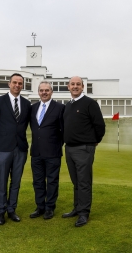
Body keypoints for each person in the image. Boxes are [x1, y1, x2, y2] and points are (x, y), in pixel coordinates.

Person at [62, 76, 105, 227]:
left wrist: (94, 141)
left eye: (78, 84)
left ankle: (84, 213)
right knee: (76, 182)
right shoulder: (68, 105)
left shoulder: (89, 103)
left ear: (83, 87)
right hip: (69, 148)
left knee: (84, 182)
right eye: (72, 84)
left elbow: (100, 126)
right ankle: (77, 208)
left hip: (84, 148)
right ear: (68, 86)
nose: (75, 86)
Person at [0, 73, 31, 225]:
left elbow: (25, 124)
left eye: (20, 83)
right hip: (4, 148)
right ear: (9, 84)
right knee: (2, 181)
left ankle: (12, 209)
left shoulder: (27, 104)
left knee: (16, 181)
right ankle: (1, 211)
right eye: (14, 82)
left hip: (20, 148)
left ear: (22, 85)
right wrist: (2, 139)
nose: (17, 85)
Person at [29, 81, 65, 220]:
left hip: (53, 152)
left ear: (51, 92)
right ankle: (40, 207)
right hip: (36, 152)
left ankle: (50, 207)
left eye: (47, 90)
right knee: (37, 181)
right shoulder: (33, 108)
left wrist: (56, 144)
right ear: (38, 92)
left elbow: (64, 130)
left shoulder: (60, 108)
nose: (44, 92)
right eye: (41, 90)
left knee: (52, 181)